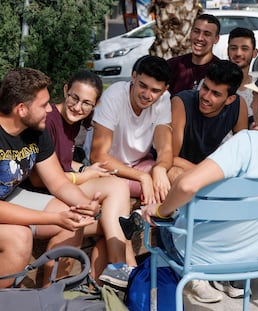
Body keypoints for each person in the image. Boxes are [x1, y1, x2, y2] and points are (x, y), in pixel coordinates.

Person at [141, 59, 258, 302]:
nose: (252, 103)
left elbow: (187, 185)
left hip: (198, 252)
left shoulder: (247, 143)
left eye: (256, 98)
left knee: (161, 225)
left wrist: (160, 210)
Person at [25, 71, 135, 288]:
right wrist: (84, 175)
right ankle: (121, 269)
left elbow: (61, 161)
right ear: (65, 90)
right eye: (74, 98)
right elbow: (41, 179)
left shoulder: (74, 122)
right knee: (114, 216)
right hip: (40, 193)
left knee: (116, 199)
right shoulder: (49, 121)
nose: (77, 107)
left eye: (86, 103)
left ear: (95, 104)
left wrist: (85, 168)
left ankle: (108, 276)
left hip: (58, 188)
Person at [0, 67, 101, 288]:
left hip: (9, 196)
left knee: (76, 218)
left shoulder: (36, 129)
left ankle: (49, 294)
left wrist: (86, 205)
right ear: (21, 109)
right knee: (20, 238)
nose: (49, 109)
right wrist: (54, 219)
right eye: (44, 104)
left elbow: (57, 181)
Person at [87, 55, 173, 206]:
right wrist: (143, 177)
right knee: (161, 187)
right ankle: (147, 216)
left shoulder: (164, 99)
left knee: (174, 176)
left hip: (139, 164)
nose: (146, 95)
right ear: (133, 77)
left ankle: (165, 225)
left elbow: (165, 148)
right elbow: (98, 156)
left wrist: (160, 168)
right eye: (142, 85)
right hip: (108, 170)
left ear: (165, 89)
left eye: (155, 90)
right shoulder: (114, 96)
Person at [168, 60, 248, 184]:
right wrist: (207, 174)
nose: (206, 97)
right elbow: (170, 158)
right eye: (205, 88)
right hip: (182, 169)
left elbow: (243, 155)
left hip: (209, 171)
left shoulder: (238, 105)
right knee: (174, 173)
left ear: (230, 99)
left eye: (215, 94)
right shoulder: (181, 102)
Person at [167, 13, 220, 95]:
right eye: (196, 31)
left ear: (216, 39)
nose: (200, 38)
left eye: (207, 34)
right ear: (190, 33)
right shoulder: (172, 65)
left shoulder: (221, 71)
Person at [227, 27, 258, 126]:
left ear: (254, 53)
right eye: (233, 48)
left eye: (244, 48)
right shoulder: (211, 84)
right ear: (227, 51)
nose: (238, 53)